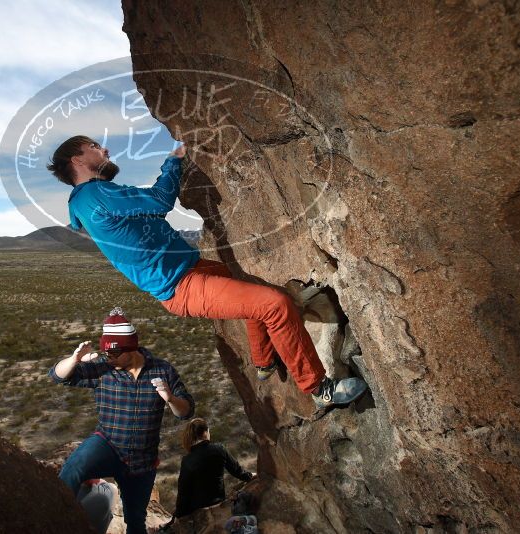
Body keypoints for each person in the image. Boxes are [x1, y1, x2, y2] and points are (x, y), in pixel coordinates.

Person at [46, 135, 367, 409]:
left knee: (253, 294)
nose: (105, 151)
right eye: (95, 146)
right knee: (275, 304)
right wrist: (175, 160)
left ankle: (264, 361)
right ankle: (318, 389)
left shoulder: (83, 202)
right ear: (78, 159)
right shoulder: (95, 194)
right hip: (182, 284)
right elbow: (158, 201)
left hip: (189, 269)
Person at [49, 307, 195, 534]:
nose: (111, 359)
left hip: (142, 460)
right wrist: (75, 359)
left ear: (132, 348)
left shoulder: (163, 370)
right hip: (108, 444)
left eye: (116, 354)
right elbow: (58, 376)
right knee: (73, 468)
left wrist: (170, 398)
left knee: (136, 520)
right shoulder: (104, 369)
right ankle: (52, 520)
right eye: (107, 354)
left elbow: (186, 411)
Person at [173, 418, 254, 519]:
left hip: (196, 509)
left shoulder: (187, 460)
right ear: (206, 432)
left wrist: (178, 515)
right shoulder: (219, 449)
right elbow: (237, 471)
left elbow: (183, 491)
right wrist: (251, 476)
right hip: (218, 503)